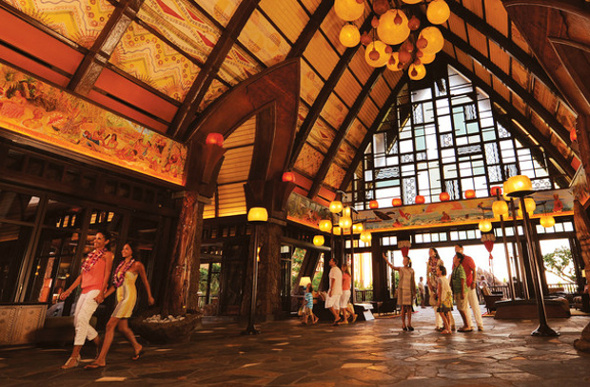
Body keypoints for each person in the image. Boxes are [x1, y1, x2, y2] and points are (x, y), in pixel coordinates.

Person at [85, 242, 155, 368]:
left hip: (129, 297)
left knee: (109, 325)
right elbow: (115, 285)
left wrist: (149, 296)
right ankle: (137, 347)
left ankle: (101, 359)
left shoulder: (137, 265)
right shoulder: (121, 265)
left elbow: (145, 281)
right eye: (123, 248)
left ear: (132, 251)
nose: (123, 250)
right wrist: (102, 296)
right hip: (120, 297)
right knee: (122, 328)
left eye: (126, 249)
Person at [59, 231, 114, 369]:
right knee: (77, 320)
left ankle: (75, 356)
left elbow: (107, 274)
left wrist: (102, 293)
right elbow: (81, 277)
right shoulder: (90, 256)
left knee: (82, 318)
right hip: (84, 290)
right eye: (95, 238)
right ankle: (98, 341)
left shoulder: (107, 255)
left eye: (99, 238)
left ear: (106, 242)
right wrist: (69, 290)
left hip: (96, 290)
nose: (96, 240)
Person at [382, 253, 416, 331]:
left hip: (409, 290)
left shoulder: (411, 270)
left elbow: (413, 281)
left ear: (408, 261)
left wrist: (414, 291)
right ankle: (403, 324)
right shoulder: (401, 269)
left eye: (405, 260)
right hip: (402, 289)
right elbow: (392, 267)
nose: (404, 261)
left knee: (409, 307)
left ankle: (409, 324)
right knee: (403, 307)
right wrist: (386, 259)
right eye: (403, 260)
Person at [455, 244, 484, 331]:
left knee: (474, 304)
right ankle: (469, 325)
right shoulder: (456, 260)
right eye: (455, 248)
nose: (456, 250)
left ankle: (480, 324)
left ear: (462, 249)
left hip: (469, 285)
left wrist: (474, 281)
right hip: (461, 287)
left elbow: (474, 270)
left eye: (457, 248)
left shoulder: (468, 259)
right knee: (465, 307)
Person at [452, 253, 471, 332]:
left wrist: (462, 292)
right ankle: (466, 324)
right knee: (460, 308)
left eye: (455, 257)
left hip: (461, 291)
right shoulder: (455, 268)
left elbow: (462, 279)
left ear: (459, 259)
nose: (453, 258)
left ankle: (467, 325)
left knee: (462, 308)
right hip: (457, 290)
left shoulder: (460, 268)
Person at [436, 265, 453, 334]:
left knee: (442, 313)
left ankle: (447, 328)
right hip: (448, 298)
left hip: (443, 298)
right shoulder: (445, 279)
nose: (436, 271)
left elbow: (440, 290)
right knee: (447, 313)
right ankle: (449, 328)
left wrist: (439, 300)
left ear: (441, 271)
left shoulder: (440, 279)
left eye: (437, 270)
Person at [326, 258, 343, 325]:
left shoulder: (333, 269)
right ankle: (336, 321)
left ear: (334, 262)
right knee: (336, 305)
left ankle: (337, 317)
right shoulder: (339, 270)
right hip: (339, 290)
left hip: (334, 289)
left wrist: (331, 289)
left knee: (329, 304)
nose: (329, 262)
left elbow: (333, 279)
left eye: (331, 261)